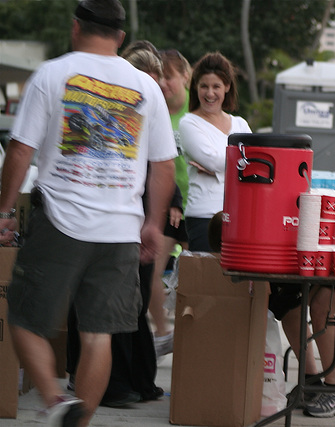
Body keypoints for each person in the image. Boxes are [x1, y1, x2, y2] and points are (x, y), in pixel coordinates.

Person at [0, 1, 176, 426]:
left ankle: (56, 400)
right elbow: (164, 165)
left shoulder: (51, 74)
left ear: (76, 27)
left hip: (60, 222)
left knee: (24, 318)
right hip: (121, 229)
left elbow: (21, 150)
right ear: (119, 38)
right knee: (98, 334)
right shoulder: (147, 87)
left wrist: (3, 208)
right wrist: (152, 223)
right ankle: (79, 419)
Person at [65, 41, 168, 408]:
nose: (151, 89)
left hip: (134, 208)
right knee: (107, 306)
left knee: (132, 303)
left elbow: (164, 164)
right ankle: (111, 384)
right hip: (108, 210)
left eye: (157, 82)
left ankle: (134, 379)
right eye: (147, 80)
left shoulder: (151, 108)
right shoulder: (104, 106)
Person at [179, 51, 251, 252]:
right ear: (195, 87)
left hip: (239, 216)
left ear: (227, 87)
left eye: (216, 86)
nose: (210, 93)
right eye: (204, 86)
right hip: (204, 218)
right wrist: (238, 165)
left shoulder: (240, 124)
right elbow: (212, 161)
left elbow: (258, 162)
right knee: (205, 281)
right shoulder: (189, 123)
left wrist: (221, 168)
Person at [149, 48, 193, 359]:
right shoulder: (156, 109)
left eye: (170, 76)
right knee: (150, 271)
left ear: (185, 77)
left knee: (193, 280)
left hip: (201, 209)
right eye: (160, 77)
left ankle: (194, 337)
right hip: (168, 206)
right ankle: (163, 333)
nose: (164, 83)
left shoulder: (198, 109)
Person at [271, 285, 335, 418]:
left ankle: (334, 389)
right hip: (316, 268)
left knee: (321, 307)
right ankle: (311, 382)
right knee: (287, 304)